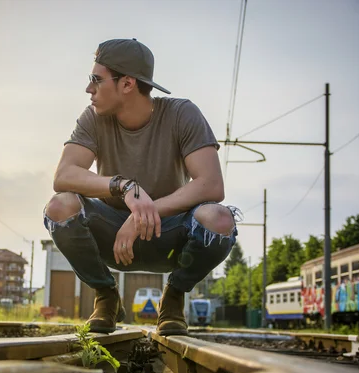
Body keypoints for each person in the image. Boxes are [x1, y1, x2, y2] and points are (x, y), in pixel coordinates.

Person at [44, 38, 239, 335]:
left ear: (127, 84)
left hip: (170, 236)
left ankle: (173, 298)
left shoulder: (182, 114)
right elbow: (64, 175)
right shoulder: (93, 118)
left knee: (220, 220)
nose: (89, 89)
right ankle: (106, 295)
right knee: (60, 206)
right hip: (112, 236)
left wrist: (142, 215)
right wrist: (122, 186)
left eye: (97, 80)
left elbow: (211, 183)